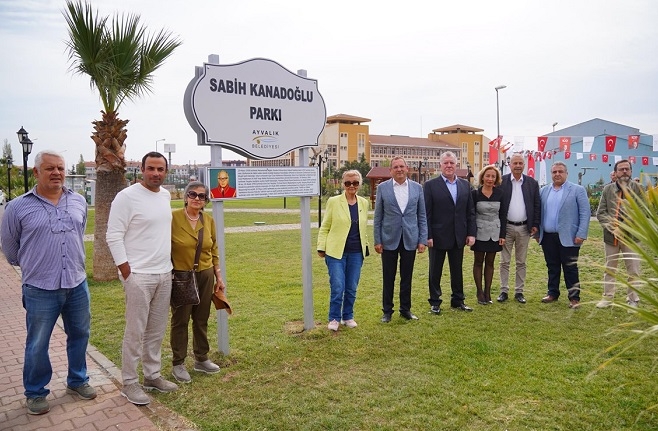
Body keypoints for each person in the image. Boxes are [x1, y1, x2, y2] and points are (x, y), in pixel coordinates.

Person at [0, 150, 96, 415]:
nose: (56, 173)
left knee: (80, 335)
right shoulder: (17, 207)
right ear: (36, 172)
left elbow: (80, 231)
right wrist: (39, 263)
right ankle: (36, 392)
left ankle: (78, 381)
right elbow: (10, 250)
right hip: (40, 288)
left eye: (61, 168)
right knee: (38, 342)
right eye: (50, 168)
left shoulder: (77, 201)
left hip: (77, 284)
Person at [106, 151, 178, 406]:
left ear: (165, 172)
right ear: (141, 170)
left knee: (156, 330)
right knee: (135, 331)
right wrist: (127, 272)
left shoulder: (166, 195)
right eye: (151, 168)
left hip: (163, 273)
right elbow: (113, 235)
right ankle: (129, 382)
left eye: (160, 169)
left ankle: (152, 375)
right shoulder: (126, 197)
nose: (156, 173)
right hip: (138, 276)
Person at [170, 181, 225, 382]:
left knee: (201, 318)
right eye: (192, 194)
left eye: (201, 196)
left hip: (205, 274)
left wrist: (219, 277)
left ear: (205, 201)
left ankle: (201, 358)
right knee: (180, 320)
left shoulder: (208, 220)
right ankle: (178, 363)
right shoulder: (173, 218)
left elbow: (214, 250)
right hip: (182, 276)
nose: (196, 198)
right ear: (185, 197)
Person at [373, 156, 427, 322]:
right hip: (389, 239)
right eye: (395, 167)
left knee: (407, 276)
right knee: (388, 277)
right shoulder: (383, 188)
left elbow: (422, 215)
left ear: (407, 168)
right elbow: (378, 216)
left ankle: (405, 309)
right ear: (391, 170)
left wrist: (422, 239)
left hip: (410, 238)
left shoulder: (417, 188)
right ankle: (387, 311)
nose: (399, 169)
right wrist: (377, 240)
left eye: (401, 166)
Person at [317, 170, 370, 331]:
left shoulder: (363, 203)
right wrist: (321, 246)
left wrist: (365, 246)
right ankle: (334, 317)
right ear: (343, 184)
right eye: (348, 183)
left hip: (356, 252)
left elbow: (363, 227)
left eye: (355, 183)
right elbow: (325, 226)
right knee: (338, 285)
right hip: (335, 252)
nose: (351, 186)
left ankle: (348, 316)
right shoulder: (334, 201)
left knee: (351, 286)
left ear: (359, 184)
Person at [424, 151, 476, 313]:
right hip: (437, 236)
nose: (448, 166)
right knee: (435, 271)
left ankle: (458, 300)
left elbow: (470, 212)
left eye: (451, 163)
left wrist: (471, 233)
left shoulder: (464, 185)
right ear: (440, 165)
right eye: (445, 163)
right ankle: (435, 302)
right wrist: (428, 235)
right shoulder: (430, 186)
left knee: (457, 270)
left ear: (456, 165)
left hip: (458, 235)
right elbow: (427, 213)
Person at [537, 162, 590, 308]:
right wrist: (537, 232)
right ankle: (552, 293)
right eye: (554, 172)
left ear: (566, 173)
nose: (557, 174)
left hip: (570, 237)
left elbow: (585, 213)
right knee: (552, 267)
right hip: (548, 236)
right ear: (551, 174)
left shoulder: (577, 190)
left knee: (570, 268)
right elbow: (539, 212)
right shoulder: (544, 191)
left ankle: (574, 298)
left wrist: (581, 233)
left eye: (560, 171)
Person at [595, 160, 644, 308]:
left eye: (627, 169)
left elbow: (643, 212)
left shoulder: (639, 189)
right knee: (610, 268)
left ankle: (632, 299)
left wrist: (627, 225)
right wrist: (612, 227)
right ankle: (608, 298)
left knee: (633, 270)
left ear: (631, 171)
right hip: (612, 237)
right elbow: (601, 213)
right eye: (621, 169)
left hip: (632, 237)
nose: (624, 172)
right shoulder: (607, 190)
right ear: (615, 173)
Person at [497, 153, 541, 304]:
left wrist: (535, 224)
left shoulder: (532, 183)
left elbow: (536, 205)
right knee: (504, 261)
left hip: (524, 228)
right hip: (506, 227)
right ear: (510, 165)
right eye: (515, 163)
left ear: (524, 165)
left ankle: (519, 291)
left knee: (521, 262)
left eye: (520, 163)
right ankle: (503, 290)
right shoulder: (501, 181)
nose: (517, 166)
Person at [471, 165, 507, 305]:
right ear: (482, 177)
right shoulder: (475, 194)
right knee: (478, 262)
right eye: (488, 176)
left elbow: (503, 214)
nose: (490, 179)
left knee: (490, 263)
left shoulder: (500, 194)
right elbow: (471, 215)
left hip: (495, 232)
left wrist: (502, 234)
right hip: (479, 232)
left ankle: (487, 292)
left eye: (493, 176)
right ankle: (479, 292)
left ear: (496, 179)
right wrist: (471, 234)